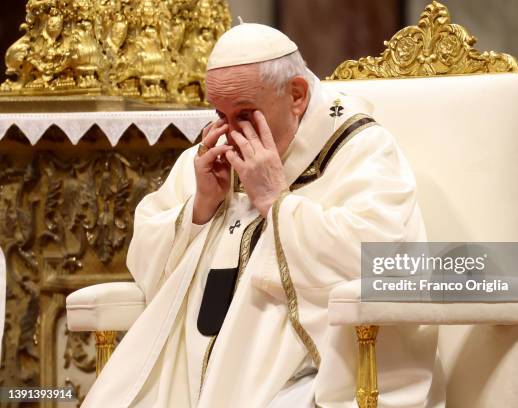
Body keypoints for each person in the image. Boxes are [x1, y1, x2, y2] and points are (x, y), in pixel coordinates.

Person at [82, 22, 442, 408]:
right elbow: (145, 254)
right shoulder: (214, 153)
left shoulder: (360, 149)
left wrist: (276, 199)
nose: (232, 133)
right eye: (221, 114)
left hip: (308, 375)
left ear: (297, 95)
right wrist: (201, 209)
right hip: (187, 372)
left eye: (246, 115)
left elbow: (384, 257)